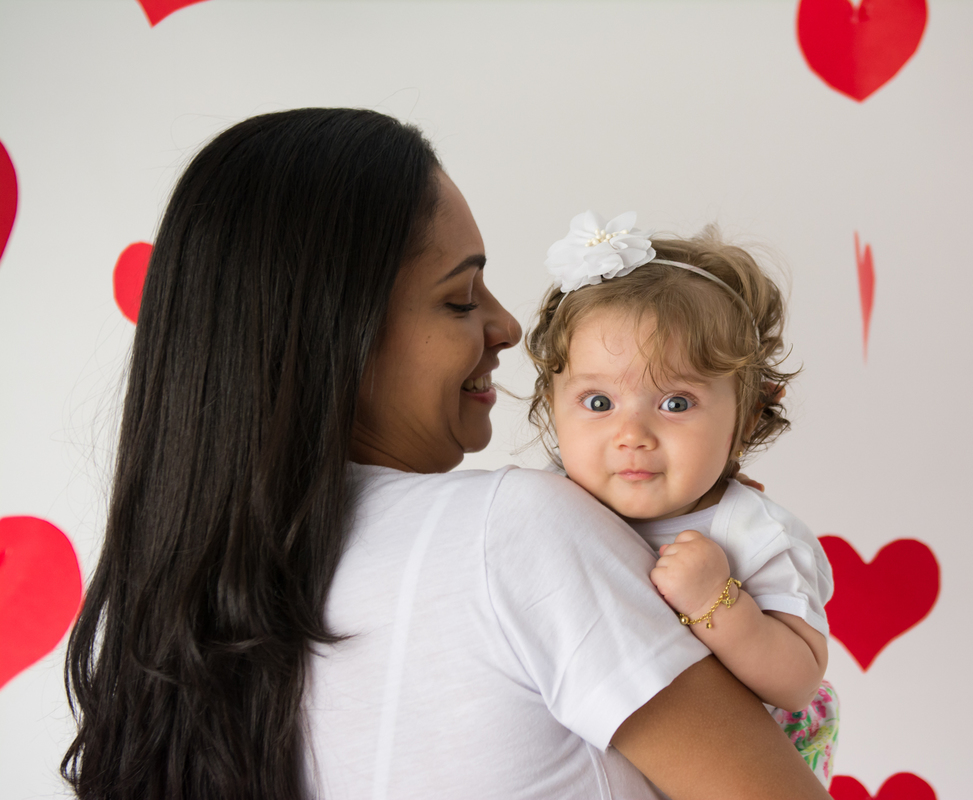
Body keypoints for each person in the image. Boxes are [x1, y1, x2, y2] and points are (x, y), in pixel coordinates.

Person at [61, 108, 831, 799]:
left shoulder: (181, 613)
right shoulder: (512, 530)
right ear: (335, 332)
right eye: (461, 299)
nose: (506, 329)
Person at [526, 212, 839, 783]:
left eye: (675, 403)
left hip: (737, 769)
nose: (632, 435)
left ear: (745, 418)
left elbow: (798, 681)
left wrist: (717, 601)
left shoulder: (754, 533)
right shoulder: (547, 502)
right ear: (553, 405)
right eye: (598, 403)